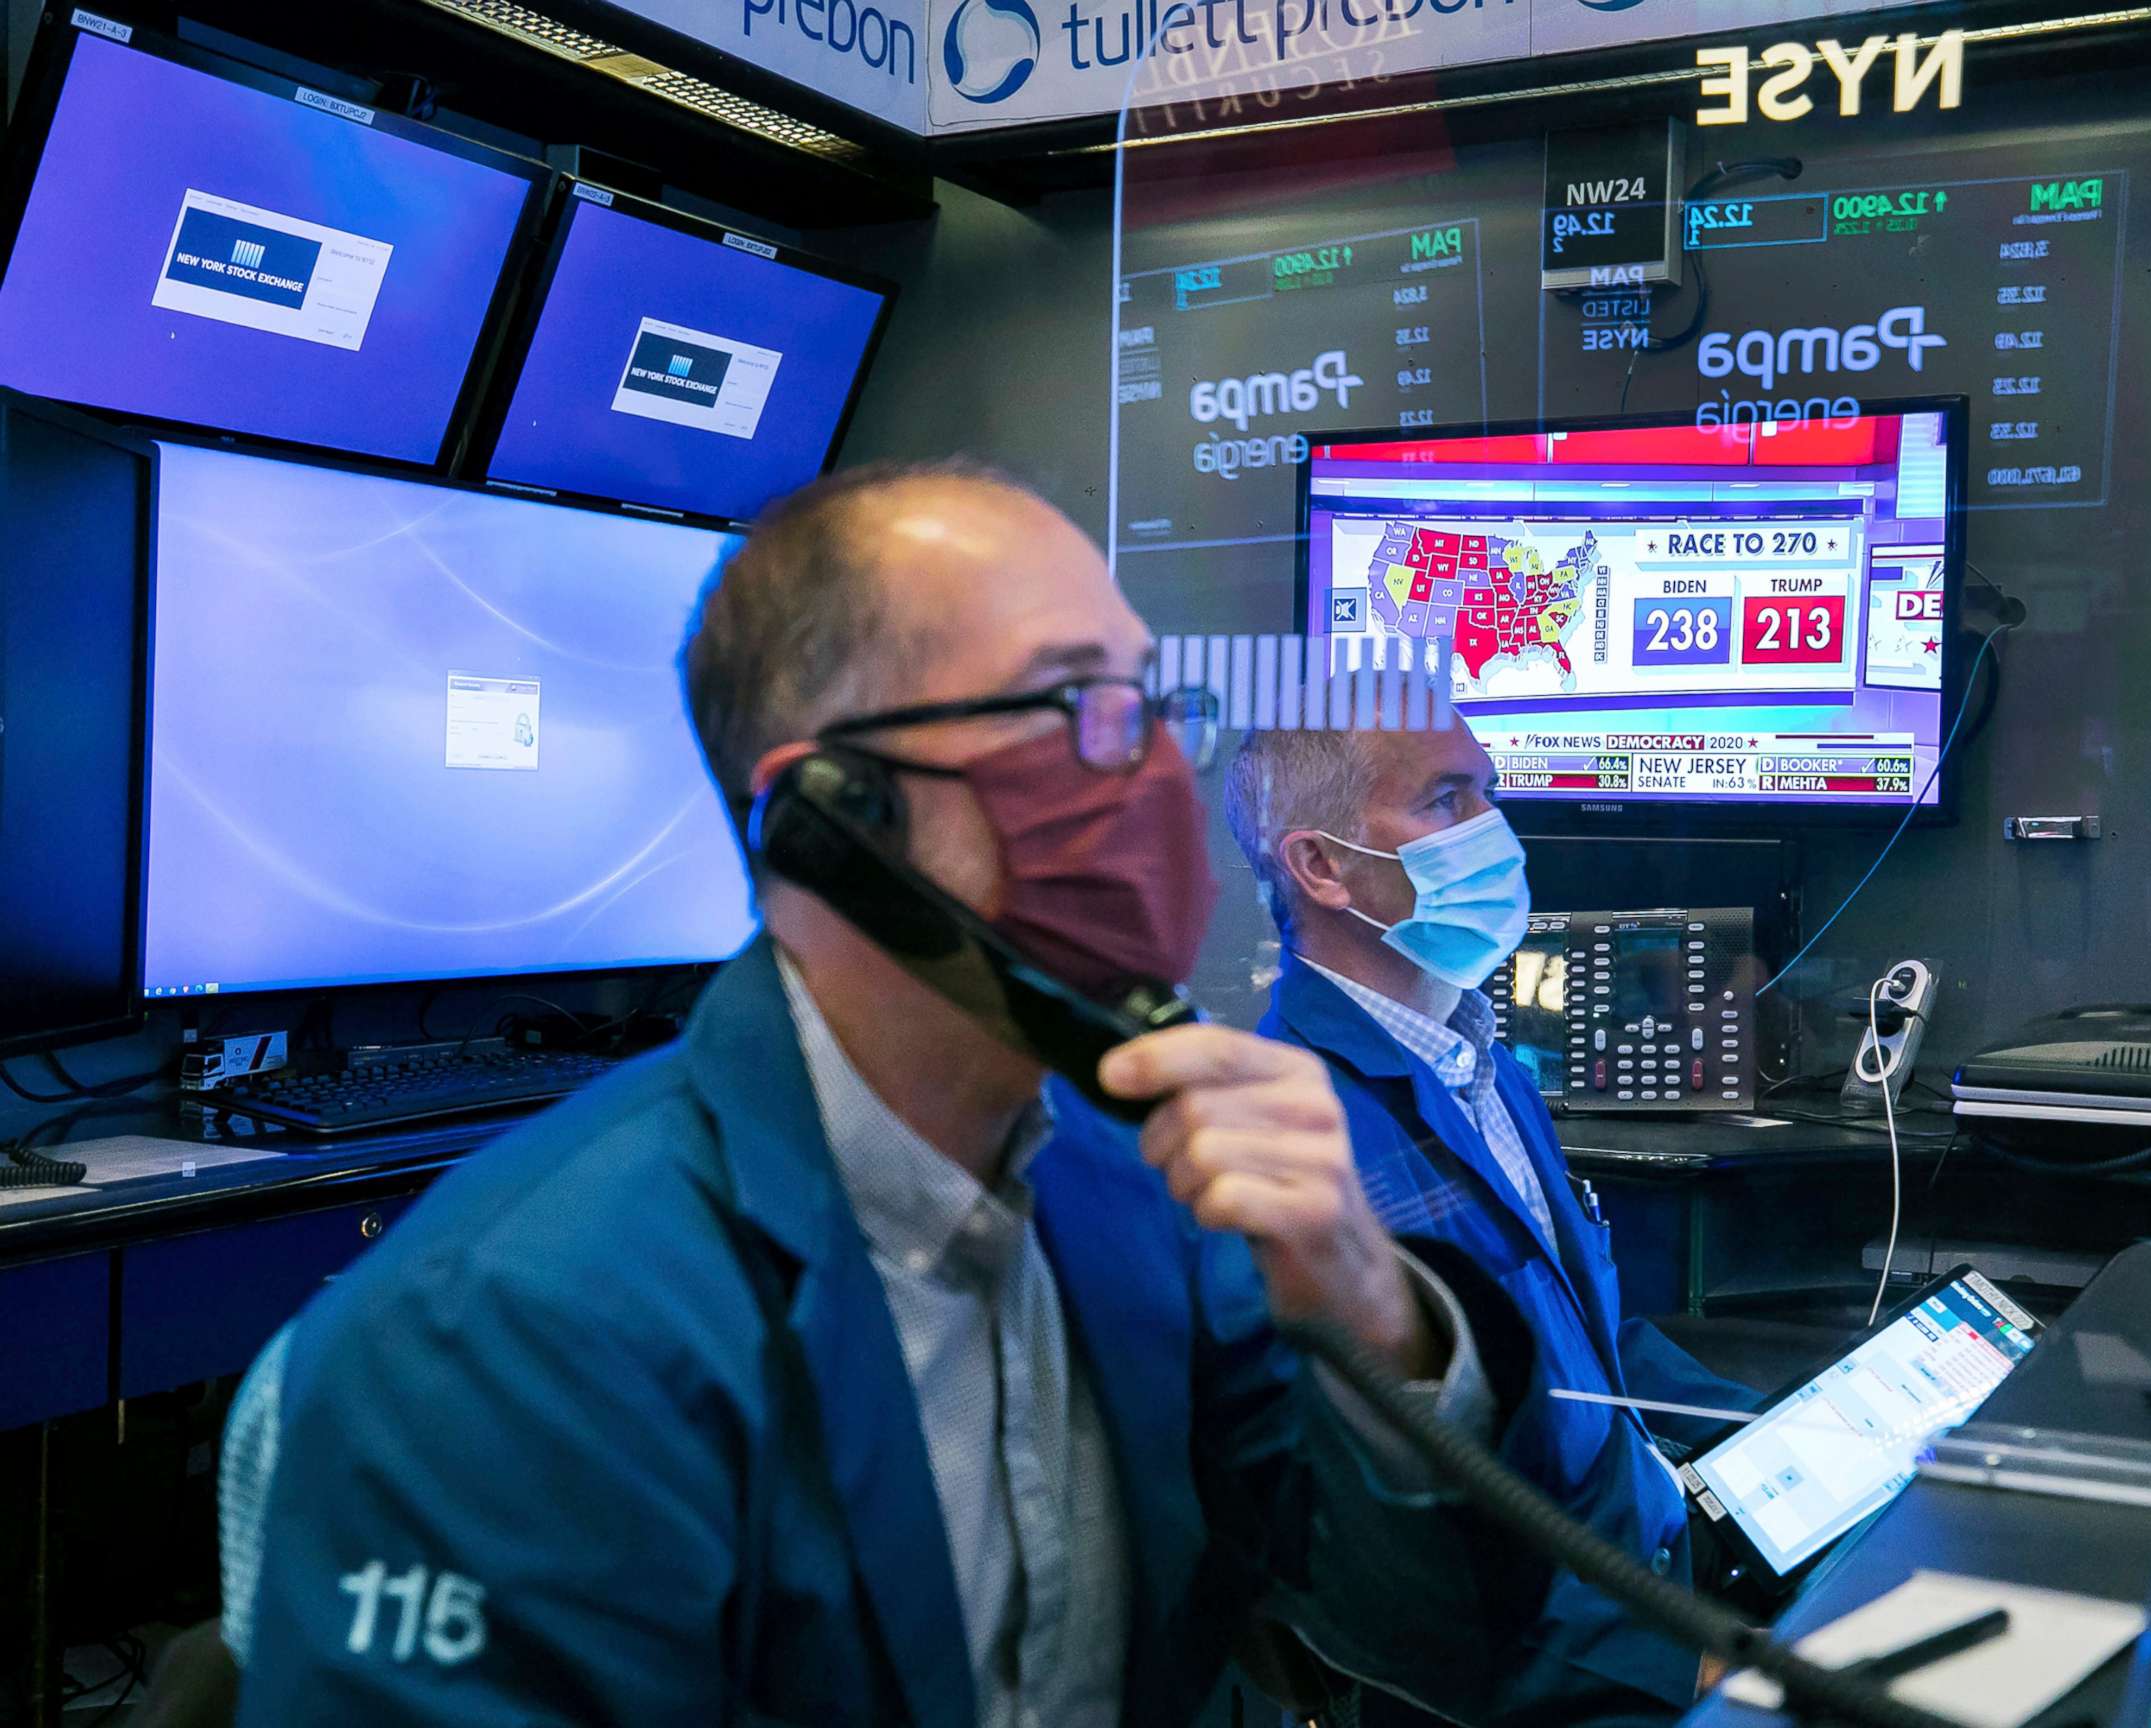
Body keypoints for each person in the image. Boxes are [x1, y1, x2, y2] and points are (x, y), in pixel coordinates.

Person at [220, 462, 1549, 1726]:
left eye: (1149, 708)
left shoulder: (1154, 1193)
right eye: (1069, 707)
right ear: (833, 816)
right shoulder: (516, 1335)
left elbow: (1445, 1646)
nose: (1147, 772)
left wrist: (1373, 1313)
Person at [1226, 718, 1760, 1727]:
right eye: (1446, 800)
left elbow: (1583, 1353)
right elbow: (1389, 1549)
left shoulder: (1476, 1057)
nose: (1497, 829)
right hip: (1555, 1678)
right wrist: (1671, 1669)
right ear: (1322, 865)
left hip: (1640, 1599)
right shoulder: (1294, 1140)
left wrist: (1810, 1433)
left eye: (1490, 791)